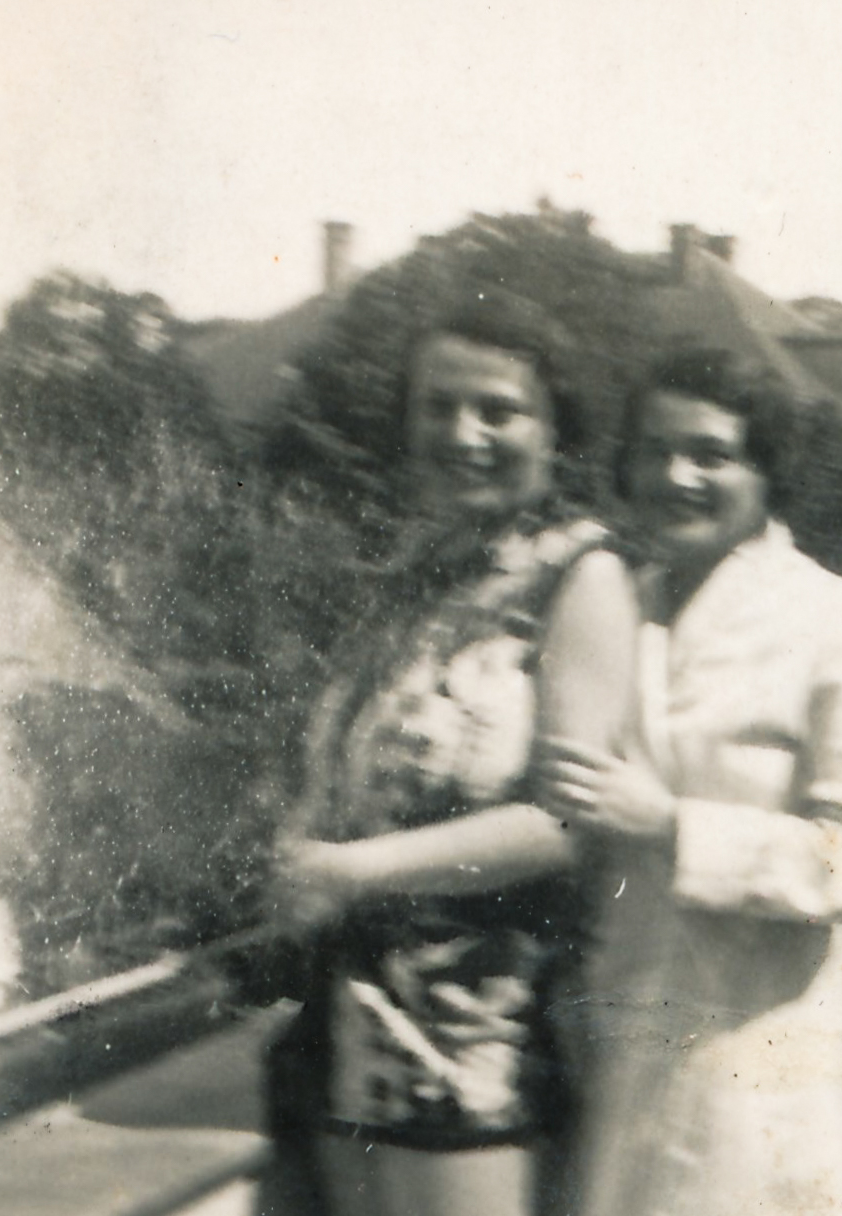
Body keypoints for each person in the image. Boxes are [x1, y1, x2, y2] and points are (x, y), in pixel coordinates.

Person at [265, 291, 638, 1216]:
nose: (463, 433)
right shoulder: (419, 571)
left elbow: (567, 823)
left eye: (497, 410)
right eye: (438, 406)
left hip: (480, 1021)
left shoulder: (582, 578)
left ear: (554, 430)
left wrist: (352, 869)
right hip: (349, 1004)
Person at [542, 348, 842, 1216]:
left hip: (757, 1072)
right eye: (654, 450)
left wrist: (672, 825)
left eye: (711, 454)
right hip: (608, 1054)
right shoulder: (611, 608)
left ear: (768, 472)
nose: (675, 477)